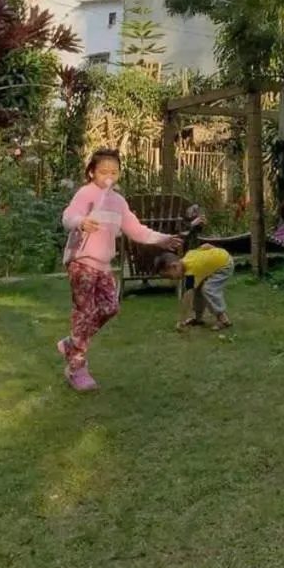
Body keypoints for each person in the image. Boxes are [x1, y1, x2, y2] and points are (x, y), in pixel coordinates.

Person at [58, 148, 182, 392]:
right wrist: (81, 222)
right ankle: (77, 368)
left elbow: (136, 230)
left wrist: (162, 239)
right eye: (103, 171)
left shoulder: (119, 202)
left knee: (110, 307)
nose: (109, 176)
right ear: (92, 172)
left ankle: (73, 342)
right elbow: (68, 216)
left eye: (114, 172)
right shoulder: (86, 194)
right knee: (84, 313)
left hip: (103, 266)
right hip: (81, 262)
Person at [157, 243, 235, 331]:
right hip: (221, 257)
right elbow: (206, 246)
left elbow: (187, 298)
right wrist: (214, 252)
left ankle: (223, 320)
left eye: (170, 276)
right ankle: (198, 319)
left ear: (174, 266)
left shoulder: (191, 272)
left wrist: (181, 320)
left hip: (225, 265)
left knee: (208, 289)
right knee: (198, 289)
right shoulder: (188, 255)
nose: (171, 279)